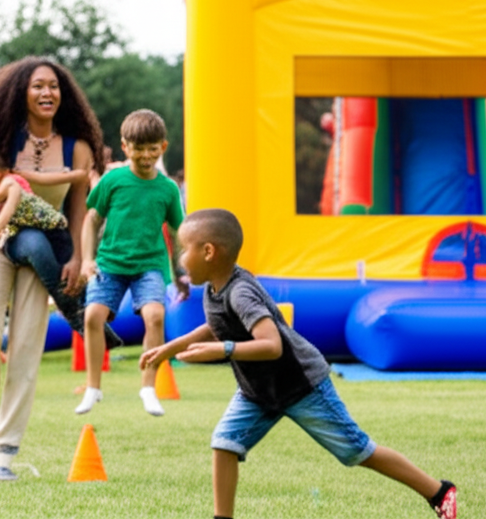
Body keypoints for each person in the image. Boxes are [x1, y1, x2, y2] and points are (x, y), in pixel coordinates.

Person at [140, 209, 458, 519]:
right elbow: (218, 324)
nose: (180, 259)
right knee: (224, 443)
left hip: (301, 385)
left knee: (356, 451)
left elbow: (272, 345)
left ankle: (438, 492)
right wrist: (171, 347)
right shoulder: (215, 288)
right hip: (259, 391)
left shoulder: (240, 292)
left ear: (208, 252)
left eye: (184, 250)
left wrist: (222, 350)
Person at [0, 56, 105, 481]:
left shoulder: (77, 147)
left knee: (25, 348)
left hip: (45, 248)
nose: (47, 93)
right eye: (38, 85)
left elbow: (78, 211)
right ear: (19, 92)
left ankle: (4, 451)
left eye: (54, 86)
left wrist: (78, 258)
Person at [76, 109, 186, 416]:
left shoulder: (167, 189)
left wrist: (180, 274)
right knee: (92, 317)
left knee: (154, 317)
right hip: (109, 262)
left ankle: (148, 387)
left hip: (149, 265)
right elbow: (91, 220)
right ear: (126, 147)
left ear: (162, 147)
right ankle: (93, 389)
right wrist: (86, 260)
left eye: (153, 149)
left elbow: (180, 232)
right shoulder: (113, 180)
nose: (146, 156)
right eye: (138, 149)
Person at [0, 152, 121, 348]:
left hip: (51, 227)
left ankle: (88, 308)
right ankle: (80, 316)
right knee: (48, 261)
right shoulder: (1, 187)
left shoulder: (10, 182)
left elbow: (11, 202)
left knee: (68, 275)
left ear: (5, 172)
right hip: (41, 230)